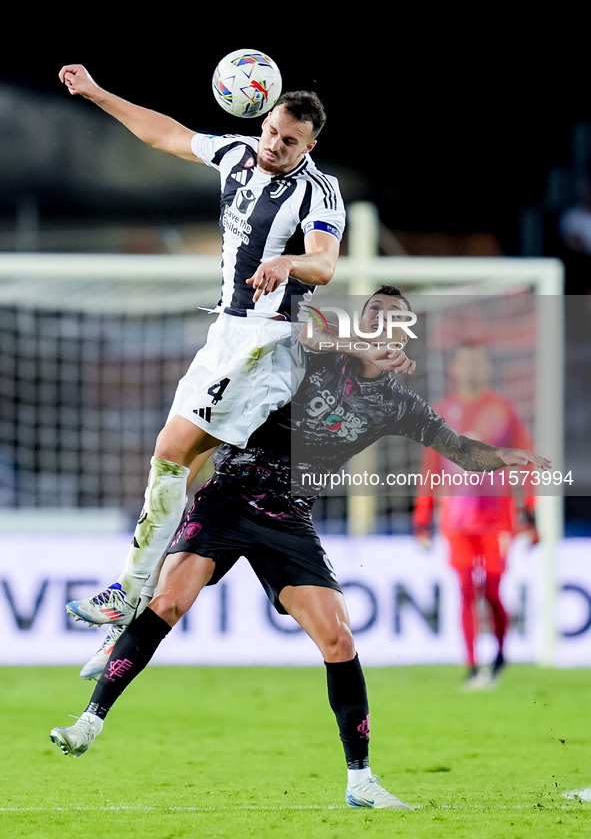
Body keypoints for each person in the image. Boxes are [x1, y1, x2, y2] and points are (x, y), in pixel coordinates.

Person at [50, 287, 550, 809]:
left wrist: (506, 456)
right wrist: (354, 342)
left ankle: (361, 781)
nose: (383, 324)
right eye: (374, 315)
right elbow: (305, 324)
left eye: (395, 320)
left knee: (338, 639)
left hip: (289, 518)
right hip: (231, 494)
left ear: (405, 335)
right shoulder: (314, 356)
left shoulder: (399, 405)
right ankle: (88, 723)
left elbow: (462, 452)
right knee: (170, 602)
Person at [58, 64, 345, 627]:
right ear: (262, 121)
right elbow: (164, 133)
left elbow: (326, 263)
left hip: (268, 341)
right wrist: (95, 93)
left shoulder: (318, 191)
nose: (273, 146)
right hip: (227, 332)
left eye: (289, 142)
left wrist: (289, 262)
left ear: (310, 143)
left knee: (175, 451)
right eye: (270, 132)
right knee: (177, 460)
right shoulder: (237, 153)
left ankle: (134, 590)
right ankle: (141, 593)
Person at [412, 342, 539, 689]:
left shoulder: (504, 411)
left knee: (494, 589)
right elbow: (431, 470)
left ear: (486, 368)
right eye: (465, 362)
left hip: (498, 518)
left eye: (478, 363)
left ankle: (498, 655)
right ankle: (471, 666)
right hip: (456, 519)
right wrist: (421, 519)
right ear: (455, 368)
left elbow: (526, 463)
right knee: (466, 587)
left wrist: (530, 511)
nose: (471, 369)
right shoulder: (440, 413)